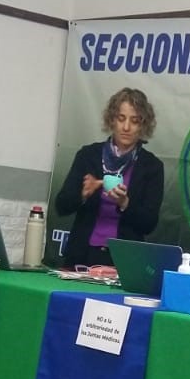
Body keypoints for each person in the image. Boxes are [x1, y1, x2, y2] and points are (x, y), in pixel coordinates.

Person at [53, 87, 163, 268]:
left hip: (124, 263)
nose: (126, 127)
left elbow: (149, 223)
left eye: (134, 121)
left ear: (143, 126)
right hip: (81, 256)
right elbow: (61, 206)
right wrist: (83, 194)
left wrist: (125, 203)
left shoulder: (151, 166)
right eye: (121, 119)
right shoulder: (88, 155)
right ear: (111, 120)